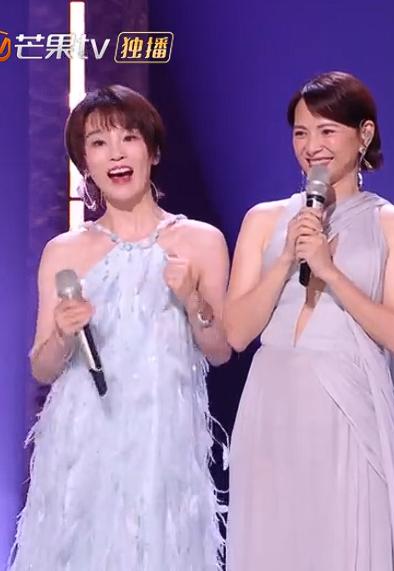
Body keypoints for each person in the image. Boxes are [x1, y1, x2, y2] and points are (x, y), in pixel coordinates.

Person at [11, 85, 231, 570]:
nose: (115, 153)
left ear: (152, 151)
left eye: (128, 138)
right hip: (83, 444)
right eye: (98, 143)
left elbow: (219, 350)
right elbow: (42, 367)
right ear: (84, 163)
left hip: (162, 444)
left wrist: (193, 300)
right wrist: (63, 332)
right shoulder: (64, 251)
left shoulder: (201, 241)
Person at [224, 71, 394, 570]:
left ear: (364, 134)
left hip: (346, 406)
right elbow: (237, 332)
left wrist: (330, 271)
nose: (312, 146)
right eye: (301, 132)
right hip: (273, 403)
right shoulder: (264, 220)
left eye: (327, 130)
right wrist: (285, 258)